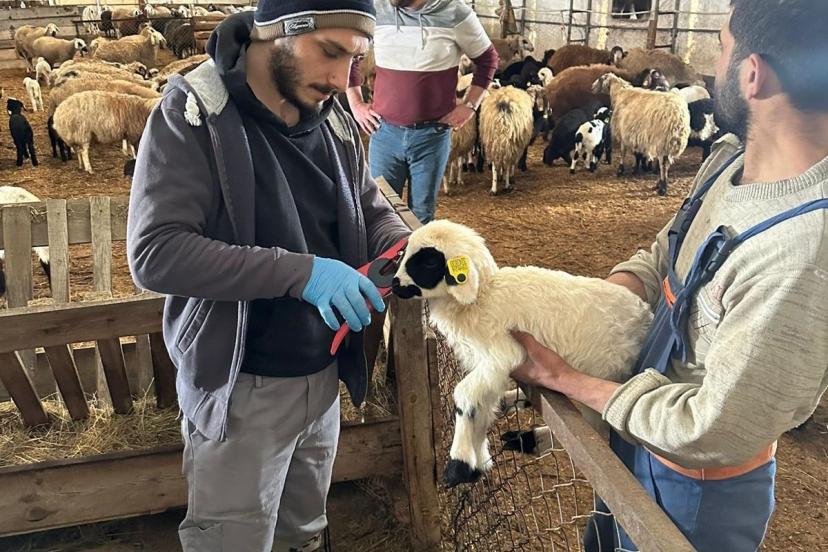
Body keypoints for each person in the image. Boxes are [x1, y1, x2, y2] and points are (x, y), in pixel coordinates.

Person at [510, 1, 828, 550]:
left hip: (695, 491)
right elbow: (668, 250)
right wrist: (593, 306)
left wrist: (566, 378)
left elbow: (714, 430)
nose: (713, 65)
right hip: (635, 435)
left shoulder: (801, 254)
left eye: (721, 48)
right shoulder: (730, 158)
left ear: (753, 75)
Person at [125, 2, 410, 551]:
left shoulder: (331, 114)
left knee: (304, 531)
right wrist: (300, 273)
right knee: (234, 539)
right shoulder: (195, 113)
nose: (341, 79)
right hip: (242, 383)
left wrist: (407, 244)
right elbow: (156, 252)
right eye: (329, 52)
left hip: (322, 374)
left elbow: (367, 203)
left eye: (353, 60)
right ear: (276, 32)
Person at [347, 0, 499, 224]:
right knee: (381, 211)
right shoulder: (376, 9)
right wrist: (355, 104)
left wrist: (470, 105)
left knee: (421, 215)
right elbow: (351, 54)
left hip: (432, 136)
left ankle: (416, 248)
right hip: (384, 131)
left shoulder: (455, 12)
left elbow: (488, 59)